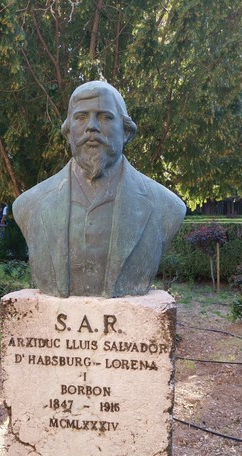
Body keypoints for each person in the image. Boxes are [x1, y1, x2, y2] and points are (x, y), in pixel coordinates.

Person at [12, 81, 186, 297]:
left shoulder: (167, 206)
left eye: (105, 117)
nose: (91, 127)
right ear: (68, 133)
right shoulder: (29, 204)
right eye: (81, 117)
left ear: (126, 131)